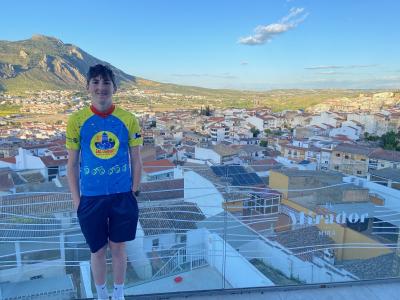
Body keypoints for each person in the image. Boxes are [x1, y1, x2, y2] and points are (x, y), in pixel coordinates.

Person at [66, 64, 142, 300]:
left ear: (114, 88)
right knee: (97, 250)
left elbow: (137, 160)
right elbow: (71, 165)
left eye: (106, 82)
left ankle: (118, 294)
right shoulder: (77, 120)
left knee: (119, 248)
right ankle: (101, 295)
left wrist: (133, 192)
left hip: (122, 196)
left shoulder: (129, 119)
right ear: (88, 87)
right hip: (91, 197)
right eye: (96, 82)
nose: (101, 87)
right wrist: (77, 201)